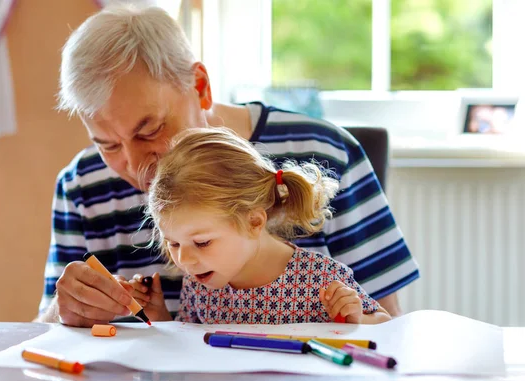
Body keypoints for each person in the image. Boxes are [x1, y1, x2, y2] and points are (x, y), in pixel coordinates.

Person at [35, 4, 419, 327]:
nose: (136, 166)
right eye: (107, 144)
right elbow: (44, 336)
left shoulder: (326, 152)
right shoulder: (81, 185)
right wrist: (64, 310)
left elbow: (387, 324)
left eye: (149, 130)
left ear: (200, 86)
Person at [127, 127, 391, 324]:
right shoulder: (199, 282)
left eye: (202, 242)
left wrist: (356, 320)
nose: (184, 259)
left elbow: (385, 325)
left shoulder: (320, 279)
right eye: (173, 243)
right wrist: (157, 314)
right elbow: (189, 348)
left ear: (253, 221)